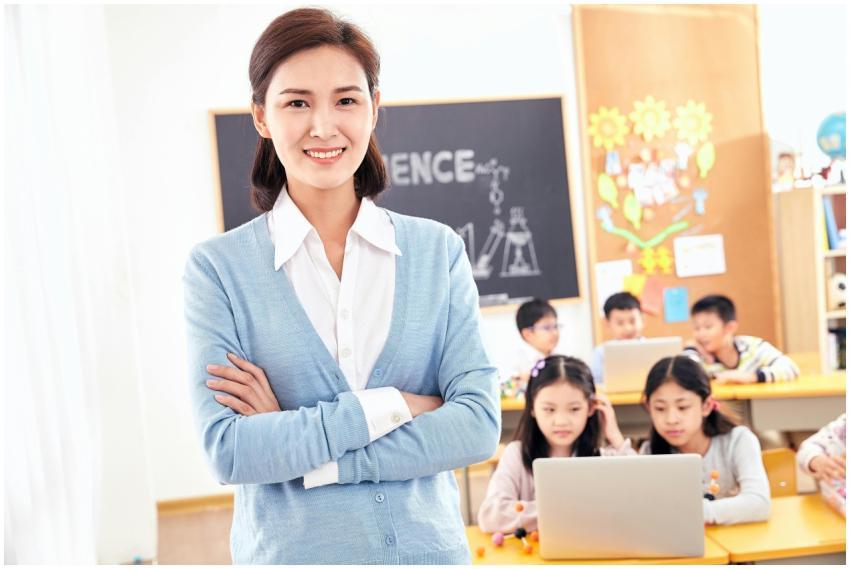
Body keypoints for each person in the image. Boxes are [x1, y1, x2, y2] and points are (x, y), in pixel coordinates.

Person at [183, 8, 500, 564]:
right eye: (297, 102)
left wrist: (303, 446)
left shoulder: (436, 252)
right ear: (261, 116)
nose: (323, 126)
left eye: (347, 100)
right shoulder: (218, 270)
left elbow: (475, 428)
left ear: (374, 108)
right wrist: (397, 405)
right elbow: (230, 450)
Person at [478, 356, 634, 533]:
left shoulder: (604, 456)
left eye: (574, 409)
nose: (561, 421)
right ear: (532, 408)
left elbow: (641, 500)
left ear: (591, 408)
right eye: (549, 410)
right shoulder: (517, 454)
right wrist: (571, 511)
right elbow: (491, 515)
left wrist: (615, 437)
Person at [640, 355, 771, 525]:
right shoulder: (650, 452)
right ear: (648, 407)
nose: (671, 419)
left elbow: (759, 504)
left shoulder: (738, 440)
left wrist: (695, 513)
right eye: (660, 408)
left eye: (683, 407)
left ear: (706, 406)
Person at [685, 294, 799, 384]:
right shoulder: (699, 356)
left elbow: (791, 369)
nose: (701, 334)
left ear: (730, 328)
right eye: (696, 328)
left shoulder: (752, 347)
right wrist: (691, 348)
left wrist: (751, 377)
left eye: (708, 327)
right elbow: (683, 378)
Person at [503, 298, 561, 392]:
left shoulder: (560, 358)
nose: (555, 333)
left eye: (556, 326)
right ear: (528, 334)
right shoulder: (514, 362)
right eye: (547, 328)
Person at [588, 291, 644, 386]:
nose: (628, 328)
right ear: (607, 323)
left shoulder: (654, 349)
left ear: (642, 319)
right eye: (620, 323)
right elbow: (595, 383)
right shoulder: (601, 352)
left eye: (632, 321)